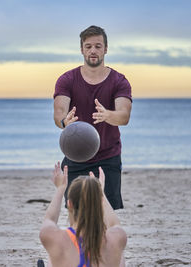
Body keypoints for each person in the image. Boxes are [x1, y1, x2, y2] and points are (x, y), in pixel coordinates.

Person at [53, 25, 132, 209]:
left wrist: (108, 115)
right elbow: (59, 114)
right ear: (81, 49)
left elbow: (124, 116)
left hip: (108, 157)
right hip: (75, 156)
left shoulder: (119, 81)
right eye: (88, 46)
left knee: (108, 214)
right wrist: (65, 121)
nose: (93, 50)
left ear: (106, 48)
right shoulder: (67, 79)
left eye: (98, 46)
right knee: (76, 213)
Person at [39, 162, 127, 267]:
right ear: (99, 203)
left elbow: (49, 220)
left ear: (69, 204)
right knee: (119, 253)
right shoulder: (116, 237)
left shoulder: (56, 238)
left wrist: (60, 189)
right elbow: (113, 224)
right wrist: (101, 194)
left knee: (54, 254)